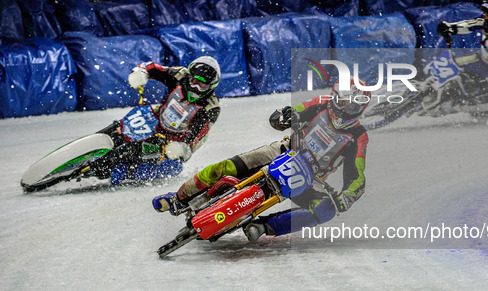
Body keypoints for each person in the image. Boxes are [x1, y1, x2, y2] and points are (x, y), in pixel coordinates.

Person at [152, 77, 370, 242]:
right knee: (226, 167)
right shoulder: (320, 103)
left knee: (326, 209)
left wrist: (347, 196)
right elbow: (290, 112)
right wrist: (284, 116)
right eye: (345, 101)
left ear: (361, 108)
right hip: (284, 151)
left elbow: (357, 176)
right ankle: (178, 198)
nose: (346, 108)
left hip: (310, 177)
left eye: (353, 105)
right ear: (336, 96)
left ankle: (264, 227)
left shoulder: (359, 136)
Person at [89, 56, 222, 185]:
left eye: (201, 85)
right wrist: (141, 72)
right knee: (122, 126)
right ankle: (94, 141)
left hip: (174, 141)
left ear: (211, 86)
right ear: (189, 75)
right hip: (156, 119)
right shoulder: (179, 75)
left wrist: (183, 148)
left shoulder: (211, 107)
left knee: (173, 167)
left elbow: (198, 136)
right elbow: (152, 67)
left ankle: (126, 171)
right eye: (194, 81)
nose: (195, 88)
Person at [436, 0, 488, 107]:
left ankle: (487, 112)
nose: (487, 19)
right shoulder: (487, 21)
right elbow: (469, 24)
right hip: (480, 60)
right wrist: (451, 28)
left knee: (484, 99)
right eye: (486, 15)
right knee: (450, 67)